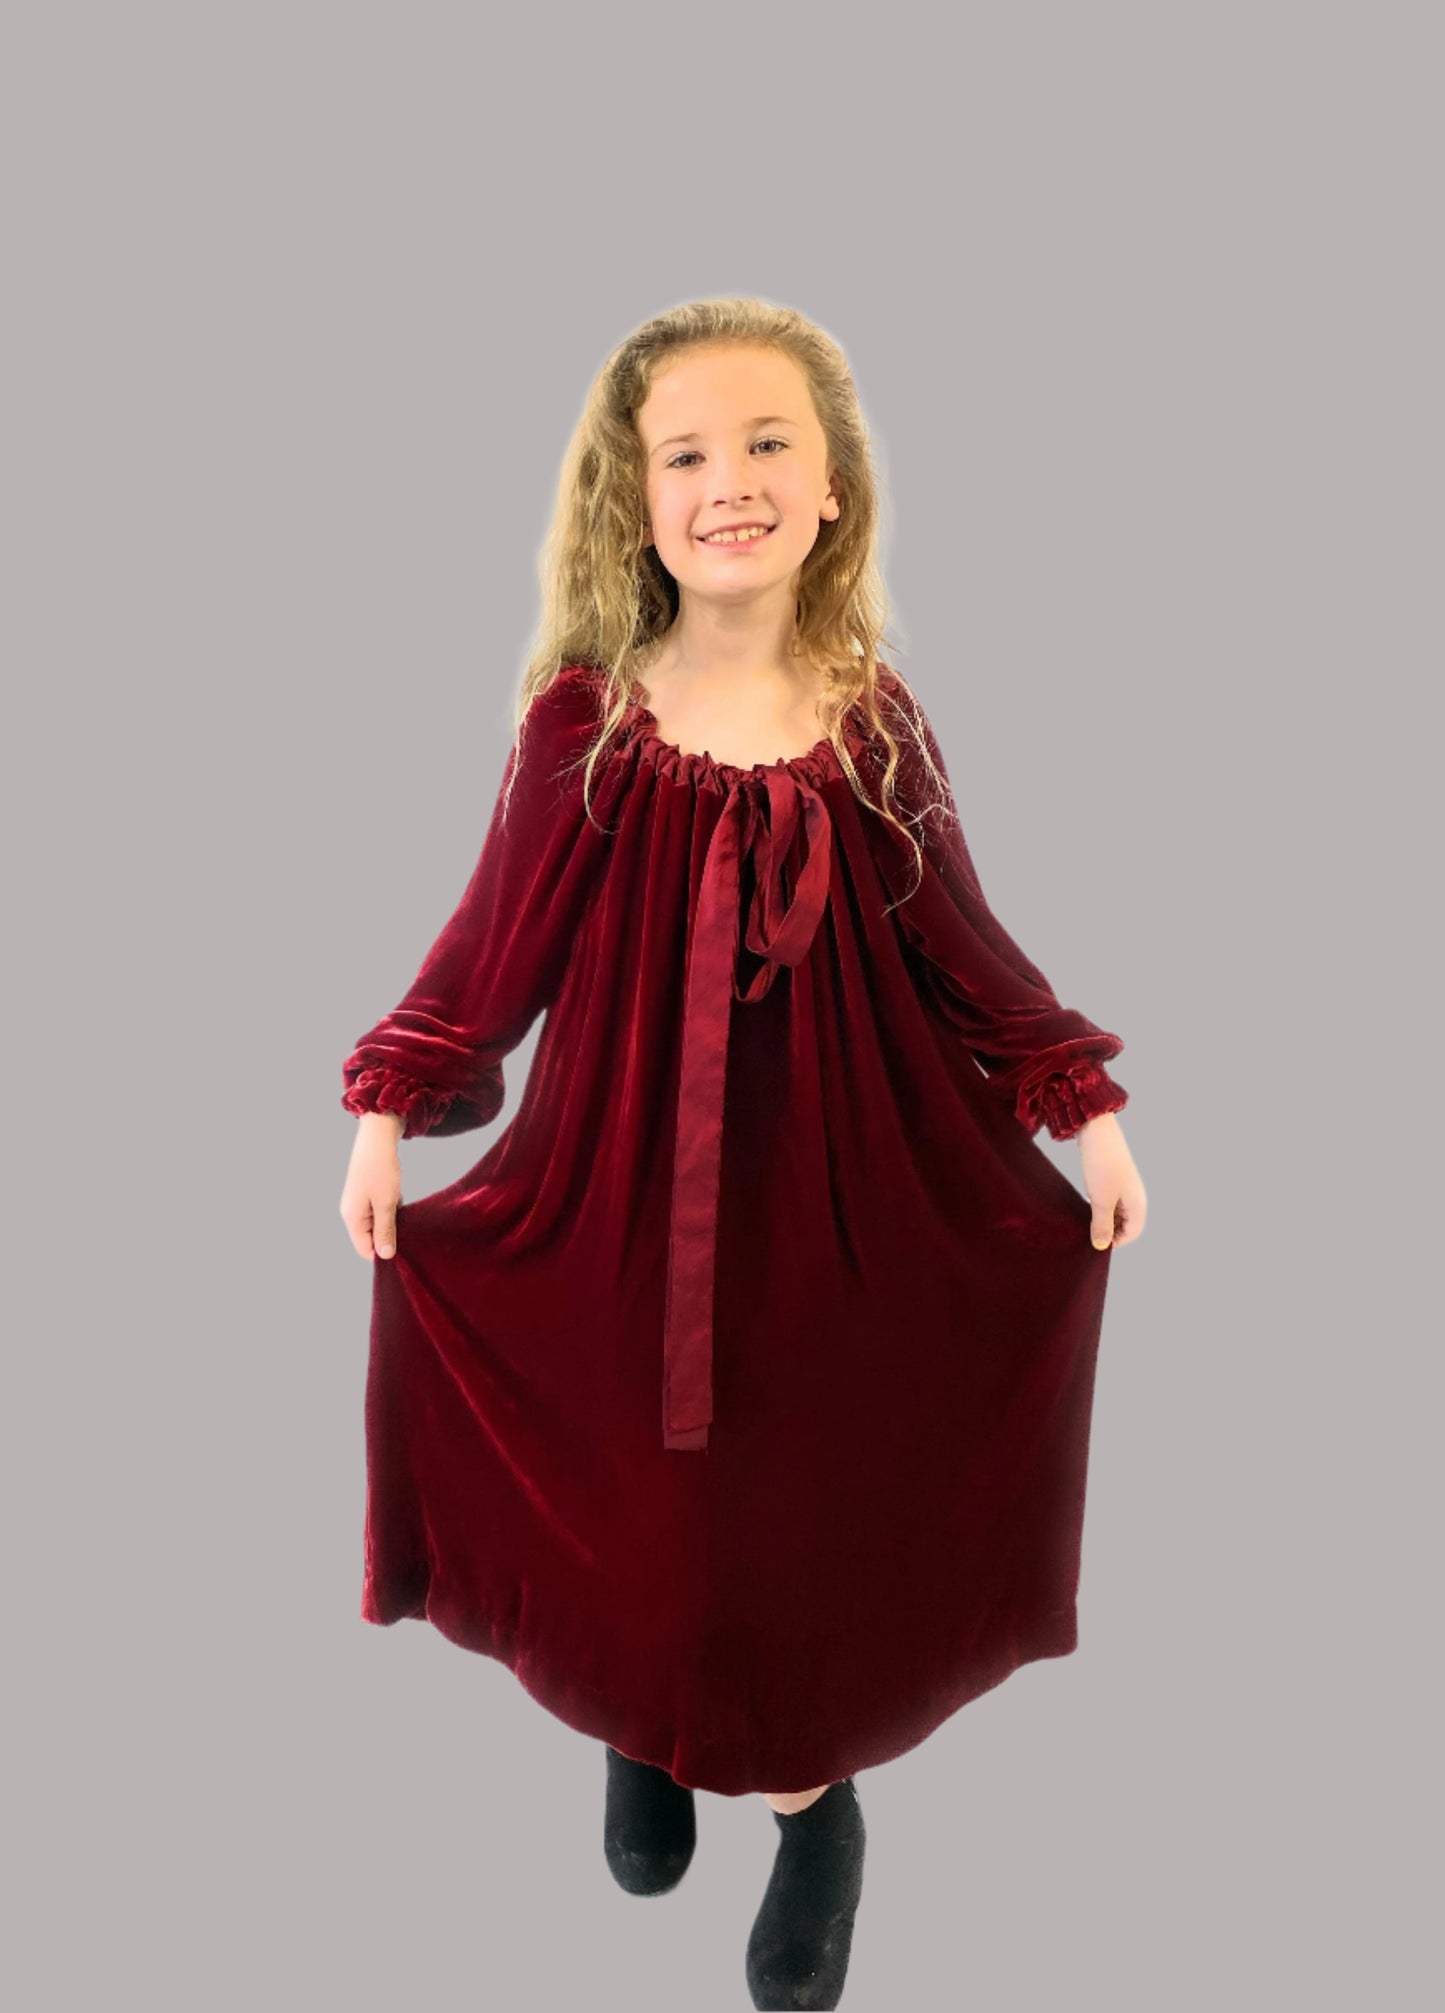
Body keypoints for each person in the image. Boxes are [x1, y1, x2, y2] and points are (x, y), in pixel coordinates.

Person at [337, 297, 1148, 2011]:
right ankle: (644, 1722)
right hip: (623, 1181)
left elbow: (961, 939)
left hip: (838, 1195)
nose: (730, 483)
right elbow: (493, 940)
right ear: (634, 503)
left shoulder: (873, 722)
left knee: (792, 1508)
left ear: (831, 483)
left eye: (769, 442)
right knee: (632, 1487)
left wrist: (1078, 1102)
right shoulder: (584, 722)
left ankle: (809, 1802)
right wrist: (389, 1106)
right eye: (686, 454)